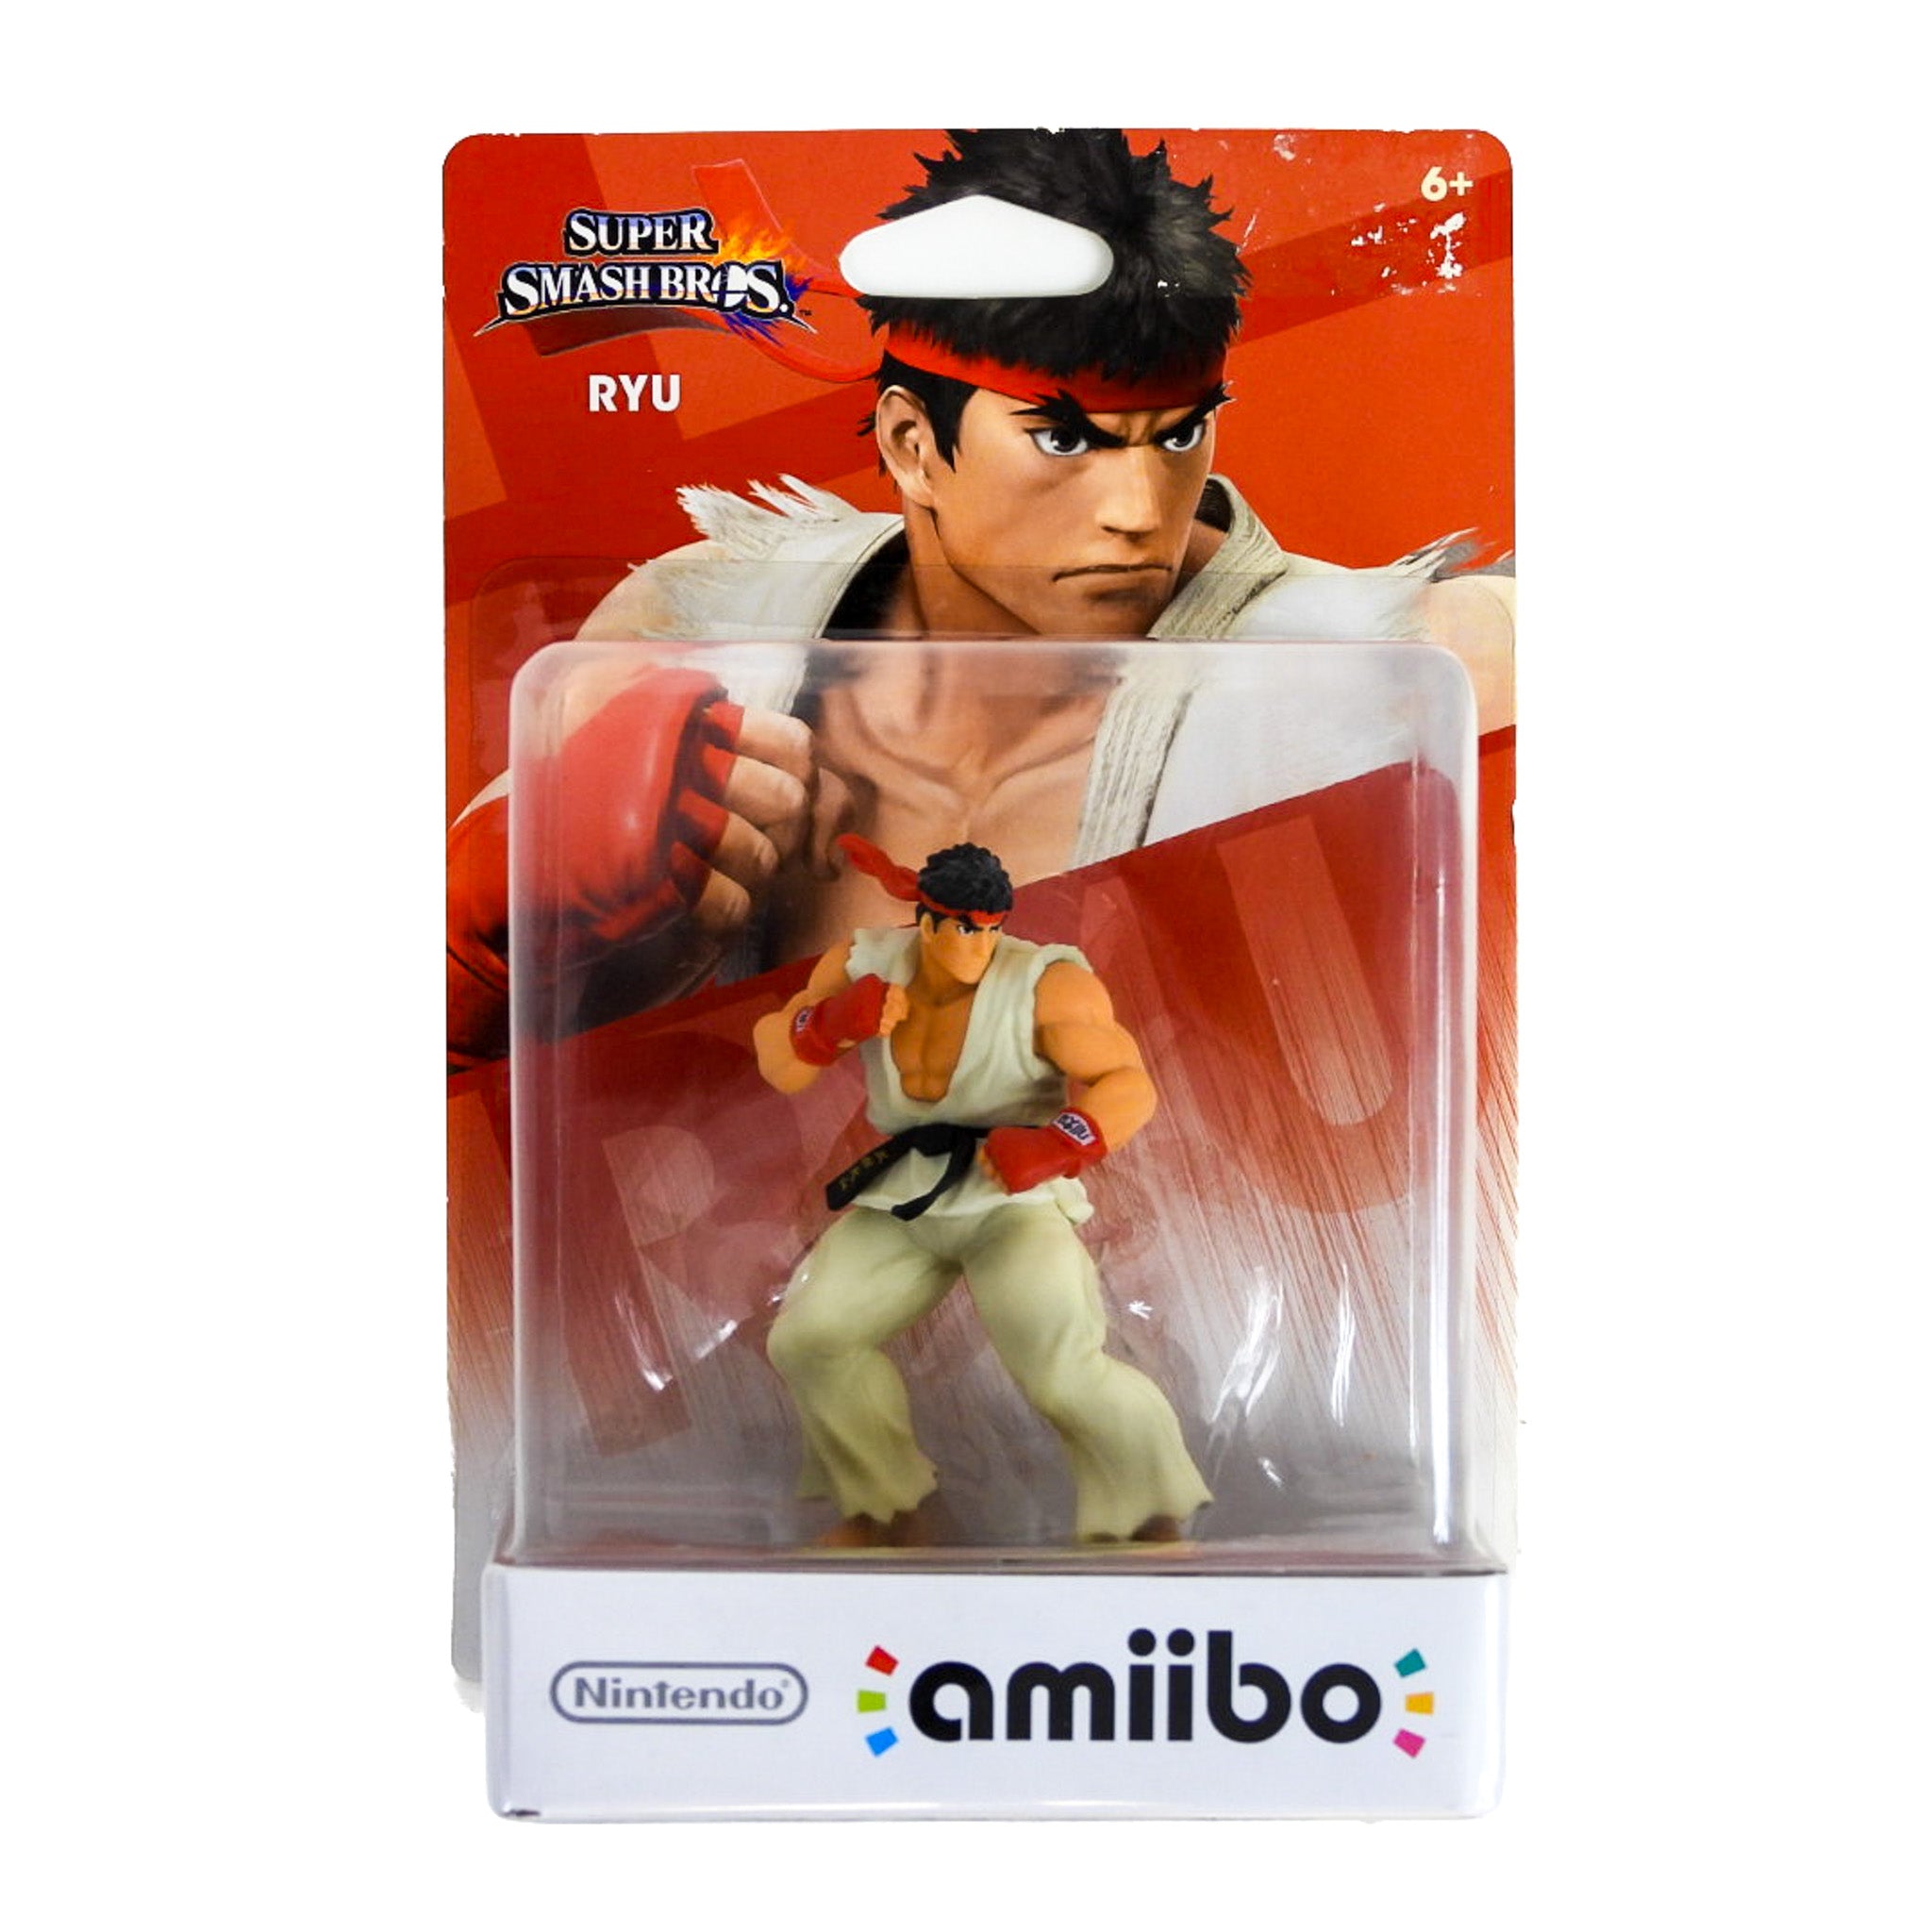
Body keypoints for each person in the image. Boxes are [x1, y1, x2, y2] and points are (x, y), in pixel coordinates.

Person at [447, 128, 1512, 1067]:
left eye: (1179, 432)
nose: (1140, 511)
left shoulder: (1412, 678)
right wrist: (475, 959)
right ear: (913, 444)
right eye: (1064, 440)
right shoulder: (693, 631)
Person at [752, 837, 1211, 1547]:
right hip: (907, 1194)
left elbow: (1128, 1082)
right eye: (962, 929)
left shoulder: (1046, 981)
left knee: (1062, 1371)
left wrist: (1061, 1142)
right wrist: (826, 1028)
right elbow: (779, 1062)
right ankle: (888, 1513)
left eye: (990, 929)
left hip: (1011, 1200)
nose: (978, 945)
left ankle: (1147, 1519)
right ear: (927, 919)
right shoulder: (862, 962)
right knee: (809, 1339)